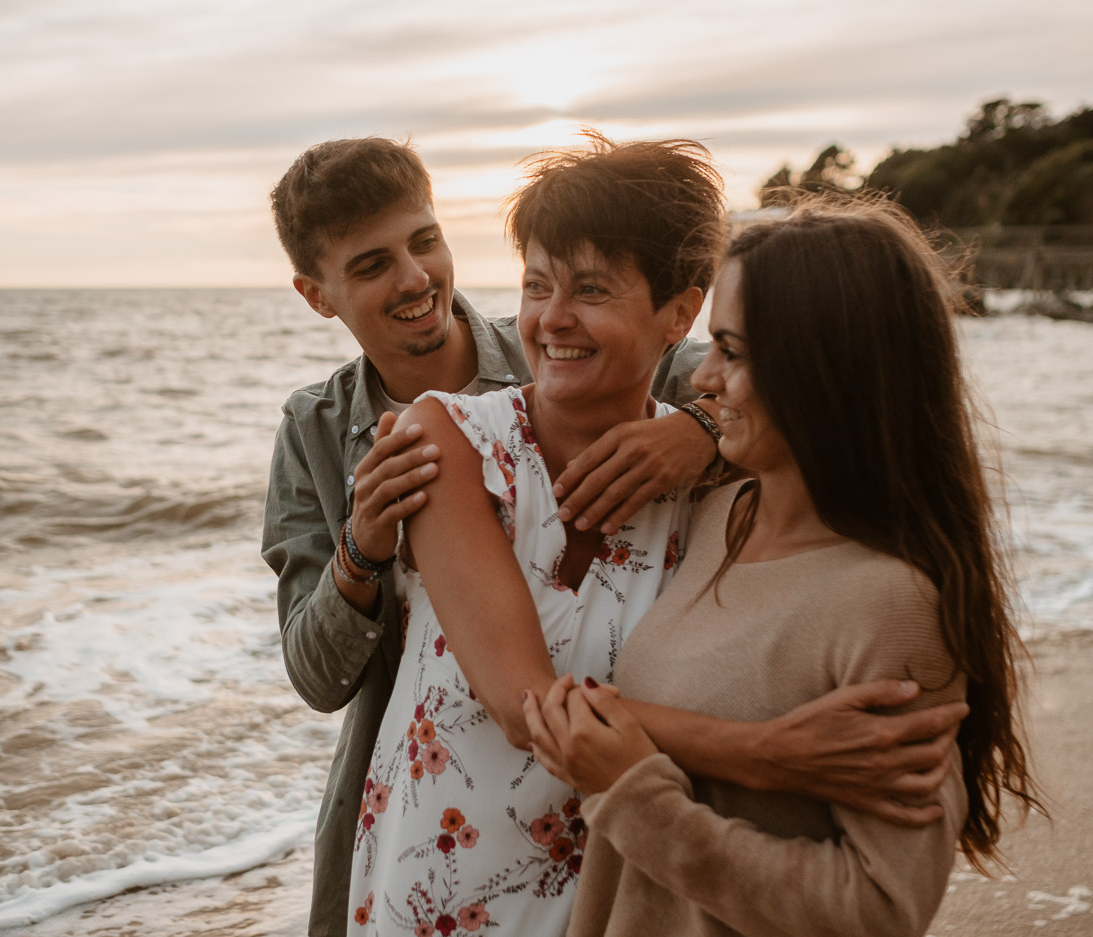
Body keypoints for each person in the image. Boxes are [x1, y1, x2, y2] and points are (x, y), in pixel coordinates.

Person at [262, 138, 967, 937]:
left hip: (616, 891)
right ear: (318, 294)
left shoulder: (716, 484)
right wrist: (765, 751)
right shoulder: (421, 437)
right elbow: (466, 693)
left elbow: (788, 372)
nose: (415, 277)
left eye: (425, 242)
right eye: (537, 284)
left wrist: (702, 433)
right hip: (432, 882)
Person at [523, 194, 1046, 937]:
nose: (701, 380)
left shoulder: (889, 603)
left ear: (825, 368)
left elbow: (879, 910)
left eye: (732, 352)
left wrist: (635, 796)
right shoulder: (714, 518)